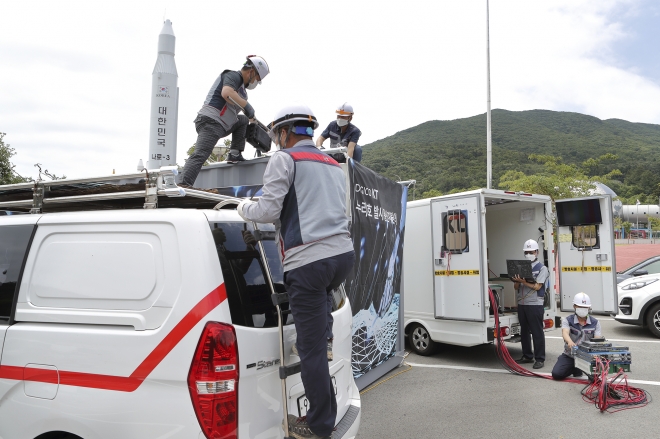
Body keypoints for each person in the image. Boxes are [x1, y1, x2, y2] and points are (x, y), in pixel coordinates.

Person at [237, 104, 355, 439]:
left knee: (310, 352)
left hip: (309, 264)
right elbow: (325, 213)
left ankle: (319, 425)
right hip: (342, 258)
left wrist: (243, 207)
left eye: (277, 135)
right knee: (321, 316)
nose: (276, 141)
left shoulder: (284, 159)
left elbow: (269, 208)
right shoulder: (332, 163)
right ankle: (327, 337)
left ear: (286, 132)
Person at [180, 55, 269, 186]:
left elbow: (241, 109)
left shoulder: (242, 91)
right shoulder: (233, 76)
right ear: (251, 72)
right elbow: (226, 93)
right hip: (211, 121)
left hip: (222, 124)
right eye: (257, 78)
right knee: (201, 154)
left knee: (243, 120)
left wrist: (252, 119)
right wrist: (247, 106)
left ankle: (234, 153)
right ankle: (183, 185)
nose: (256, 82)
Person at [512, 239, 549, 369]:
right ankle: (527, 355)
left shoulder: (542, 268)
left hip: (535, 304)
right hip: (522, 303)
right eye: (526, 252)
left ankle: (539, 359)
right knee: (524, 331)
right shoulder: (520, 267)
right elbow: (516, 287)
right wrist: (517, 280)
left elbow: (538, 287)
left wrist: (524, 281)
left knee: (537, 331)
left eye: (531, 251)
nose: (528, 254)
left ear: (537, 252)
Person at [552, 292, 602, 379]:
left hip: (587, 357)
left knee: (595, 378)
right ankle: (574, 367)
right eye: (580, 306)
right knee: (557, 374)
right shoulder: (568, 320)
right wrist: (570, 342)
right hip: (570, 355)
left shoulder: (595, 323)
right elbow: (565, 332)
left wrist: (595, 354)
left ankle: (579, 367)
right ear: (574, 306)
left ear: (589, 307)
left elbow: (597, 340)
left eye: (585, 307)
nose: (583, 309)